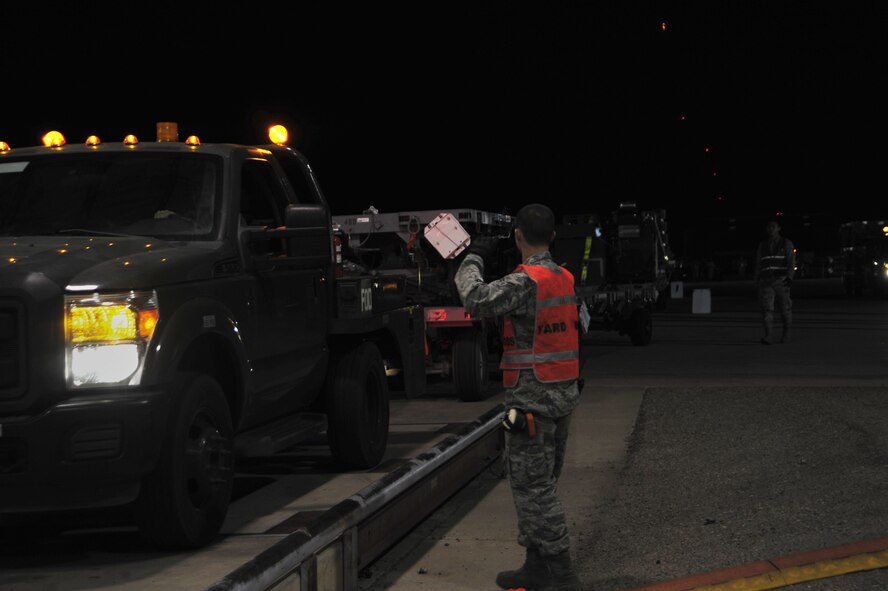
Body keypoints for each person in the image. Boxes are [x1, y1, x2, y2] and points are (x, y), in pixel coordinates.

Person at [454, 203, 582, 591]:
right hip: (560, 396)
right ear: (554, 236)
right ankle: (536, 566)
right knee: (540, 485)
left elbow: (475, 298)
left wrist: (473, 257)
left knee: (534, 490)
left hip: (532, 401)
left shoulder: (526, 282)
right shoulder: (563, 277)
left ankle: (561, 574)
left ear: (518, 236)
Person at [753, 218, 795, 344]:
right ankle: (768, 335)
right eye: (769, 227)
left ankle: (786, 333)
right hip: (766, 281)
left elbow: (791, 262)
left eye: (773, 226)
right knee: (767, 309)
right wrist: (756, 279)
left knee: (784, 310)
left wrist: (789, 277)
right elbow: (758, 263)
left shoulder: (786, 243)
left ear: (779, 228)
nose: (770, 229)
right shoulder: (763, 245)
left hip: (781, 281)